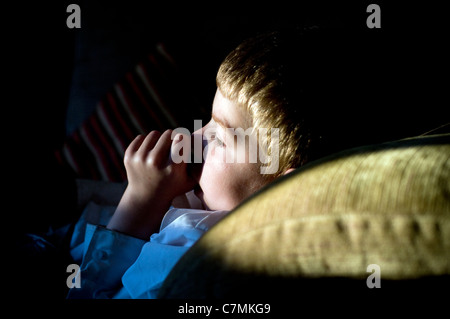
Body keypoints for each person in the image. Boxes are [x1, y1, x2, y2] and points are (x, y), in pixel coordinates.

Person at [67, 28, 363, 298]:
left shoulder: (191, 263)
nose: (191, 139)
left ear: (285, 188)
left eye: (220, 137)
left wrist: (139, 204)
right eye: (206, 121)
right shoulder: (200, 205)